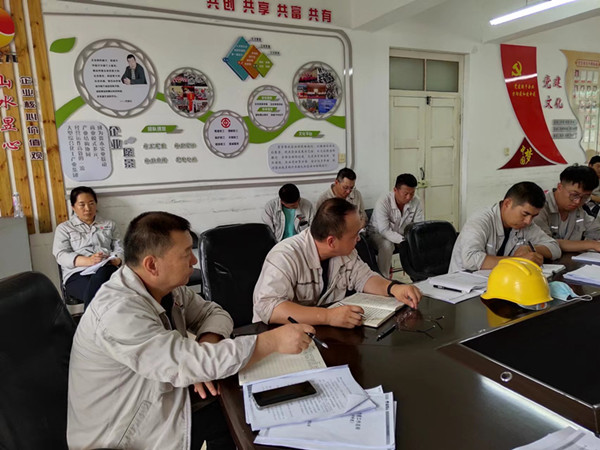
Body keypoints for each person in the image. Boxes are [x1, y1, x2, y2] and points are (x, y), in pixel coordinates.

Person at [67, 211, 313, 450]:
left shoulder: (166, 288)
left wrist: (206, 346)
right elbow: (186, 364)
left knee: (243, 408)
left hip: (160, 398)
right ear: (152, 264)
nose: (194, 262)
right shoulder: (118, 312)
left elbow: (214, 313)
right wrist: (270, 342)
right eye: (186, 254)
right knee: (241, 413)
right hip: (126, 436)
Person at [253, 198, 422, 328]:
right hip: (279, 334)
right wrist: (327, 316)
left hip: (320, 331)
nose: (358, 239)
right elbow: (269, 307)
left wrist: (393, 288)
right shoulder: (285, 255)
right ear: (331, 241)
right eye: (354, 235)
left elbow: (365, 278)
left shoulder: (345, 252)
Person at [449, 181, 561, 273]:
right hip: (463, 286)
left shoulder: (526, 224)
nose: (528, 221)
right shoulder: (480, 220)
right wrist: (518, 261)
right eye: (525, 214)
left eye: (534, 216)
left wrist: (531, 249)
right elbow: (470, 259)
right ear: (507, 203)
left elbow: (555, 247)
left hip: (501, 283)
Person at [52, 186, 123, 309]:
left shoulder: (110, 225)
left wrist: (117, 259)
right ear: (73, 207)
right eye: (82, 205)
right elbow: (61, 255)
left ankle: (89, 318)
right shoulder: (64, 228)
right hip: (77, 275)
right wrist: (88, 261)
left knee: (104, 274)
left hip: (107, 269)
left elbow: (120, 248)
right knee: (105, 293)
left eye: (91, 203)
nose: (87, 208)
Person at [534, 165, 600, 252]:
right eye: (574, 195)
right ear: (560, 187)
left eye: (585, 197)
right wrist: (592, 244)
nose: (577, 202)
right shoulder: (539, 208)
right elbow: (546, 244)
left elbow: (595, 230)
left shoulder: (579, 210)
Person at [368, 173, 424, 276]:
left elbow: (418, 226)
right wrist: (402, 240)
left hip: (402, 235)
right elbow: (384, 230)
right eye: (405, 193)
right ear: (395, 190)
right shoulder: (383, 201)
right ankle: (384, 278)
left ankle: (417, 275)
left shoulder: (416, 201)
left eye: (412, 193)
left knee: (419, 241)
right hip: (378, 234)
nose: (409, 197)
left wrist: (410, 240)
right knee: (387, 245)